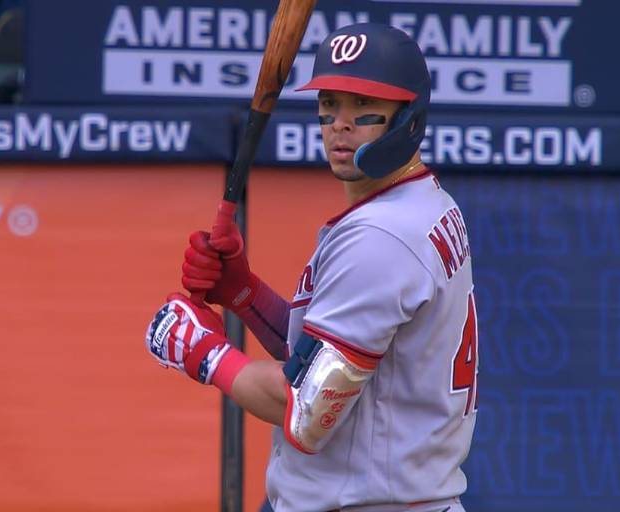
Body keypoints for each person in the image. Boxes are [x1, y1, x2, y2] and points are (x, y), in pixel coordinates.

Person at [145, 23, 479, 512]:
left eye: (364, 107)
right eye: (329, 104)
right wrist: (243, 292)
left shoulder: (380, 237)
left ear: (409, 117)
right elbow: (321, 360)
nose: (340, 124)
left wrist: (206, 353)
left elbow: (307, 412)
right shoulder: (424, 204)